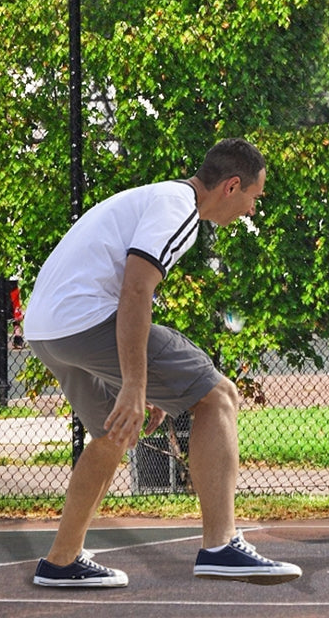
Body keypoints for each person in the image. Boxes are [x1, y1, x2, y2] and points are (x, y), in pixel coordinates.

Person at [23, 138, 302, 589]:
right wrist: (136, 386)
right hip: (84, 318)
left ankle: (61, 559)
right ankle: (221, 545)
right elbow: (136, 289)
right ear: (232, 186)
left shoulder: (159, 198)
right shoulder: (179, 210)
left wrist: (140, 385)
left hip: (45, 329)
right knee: (218, 396)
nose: (252, 209)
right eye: (255, 197)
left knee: (113, 433)